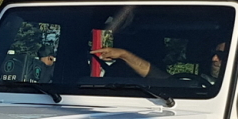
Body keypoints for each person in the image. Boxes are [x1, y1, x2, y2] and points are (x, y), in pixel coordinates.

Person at [91, 41, 229, 83]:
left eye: (221, 56)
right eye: (214, 54)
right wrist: (124, 55)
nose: (214, 59)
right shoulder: (199, 83)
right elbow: (156, 76)